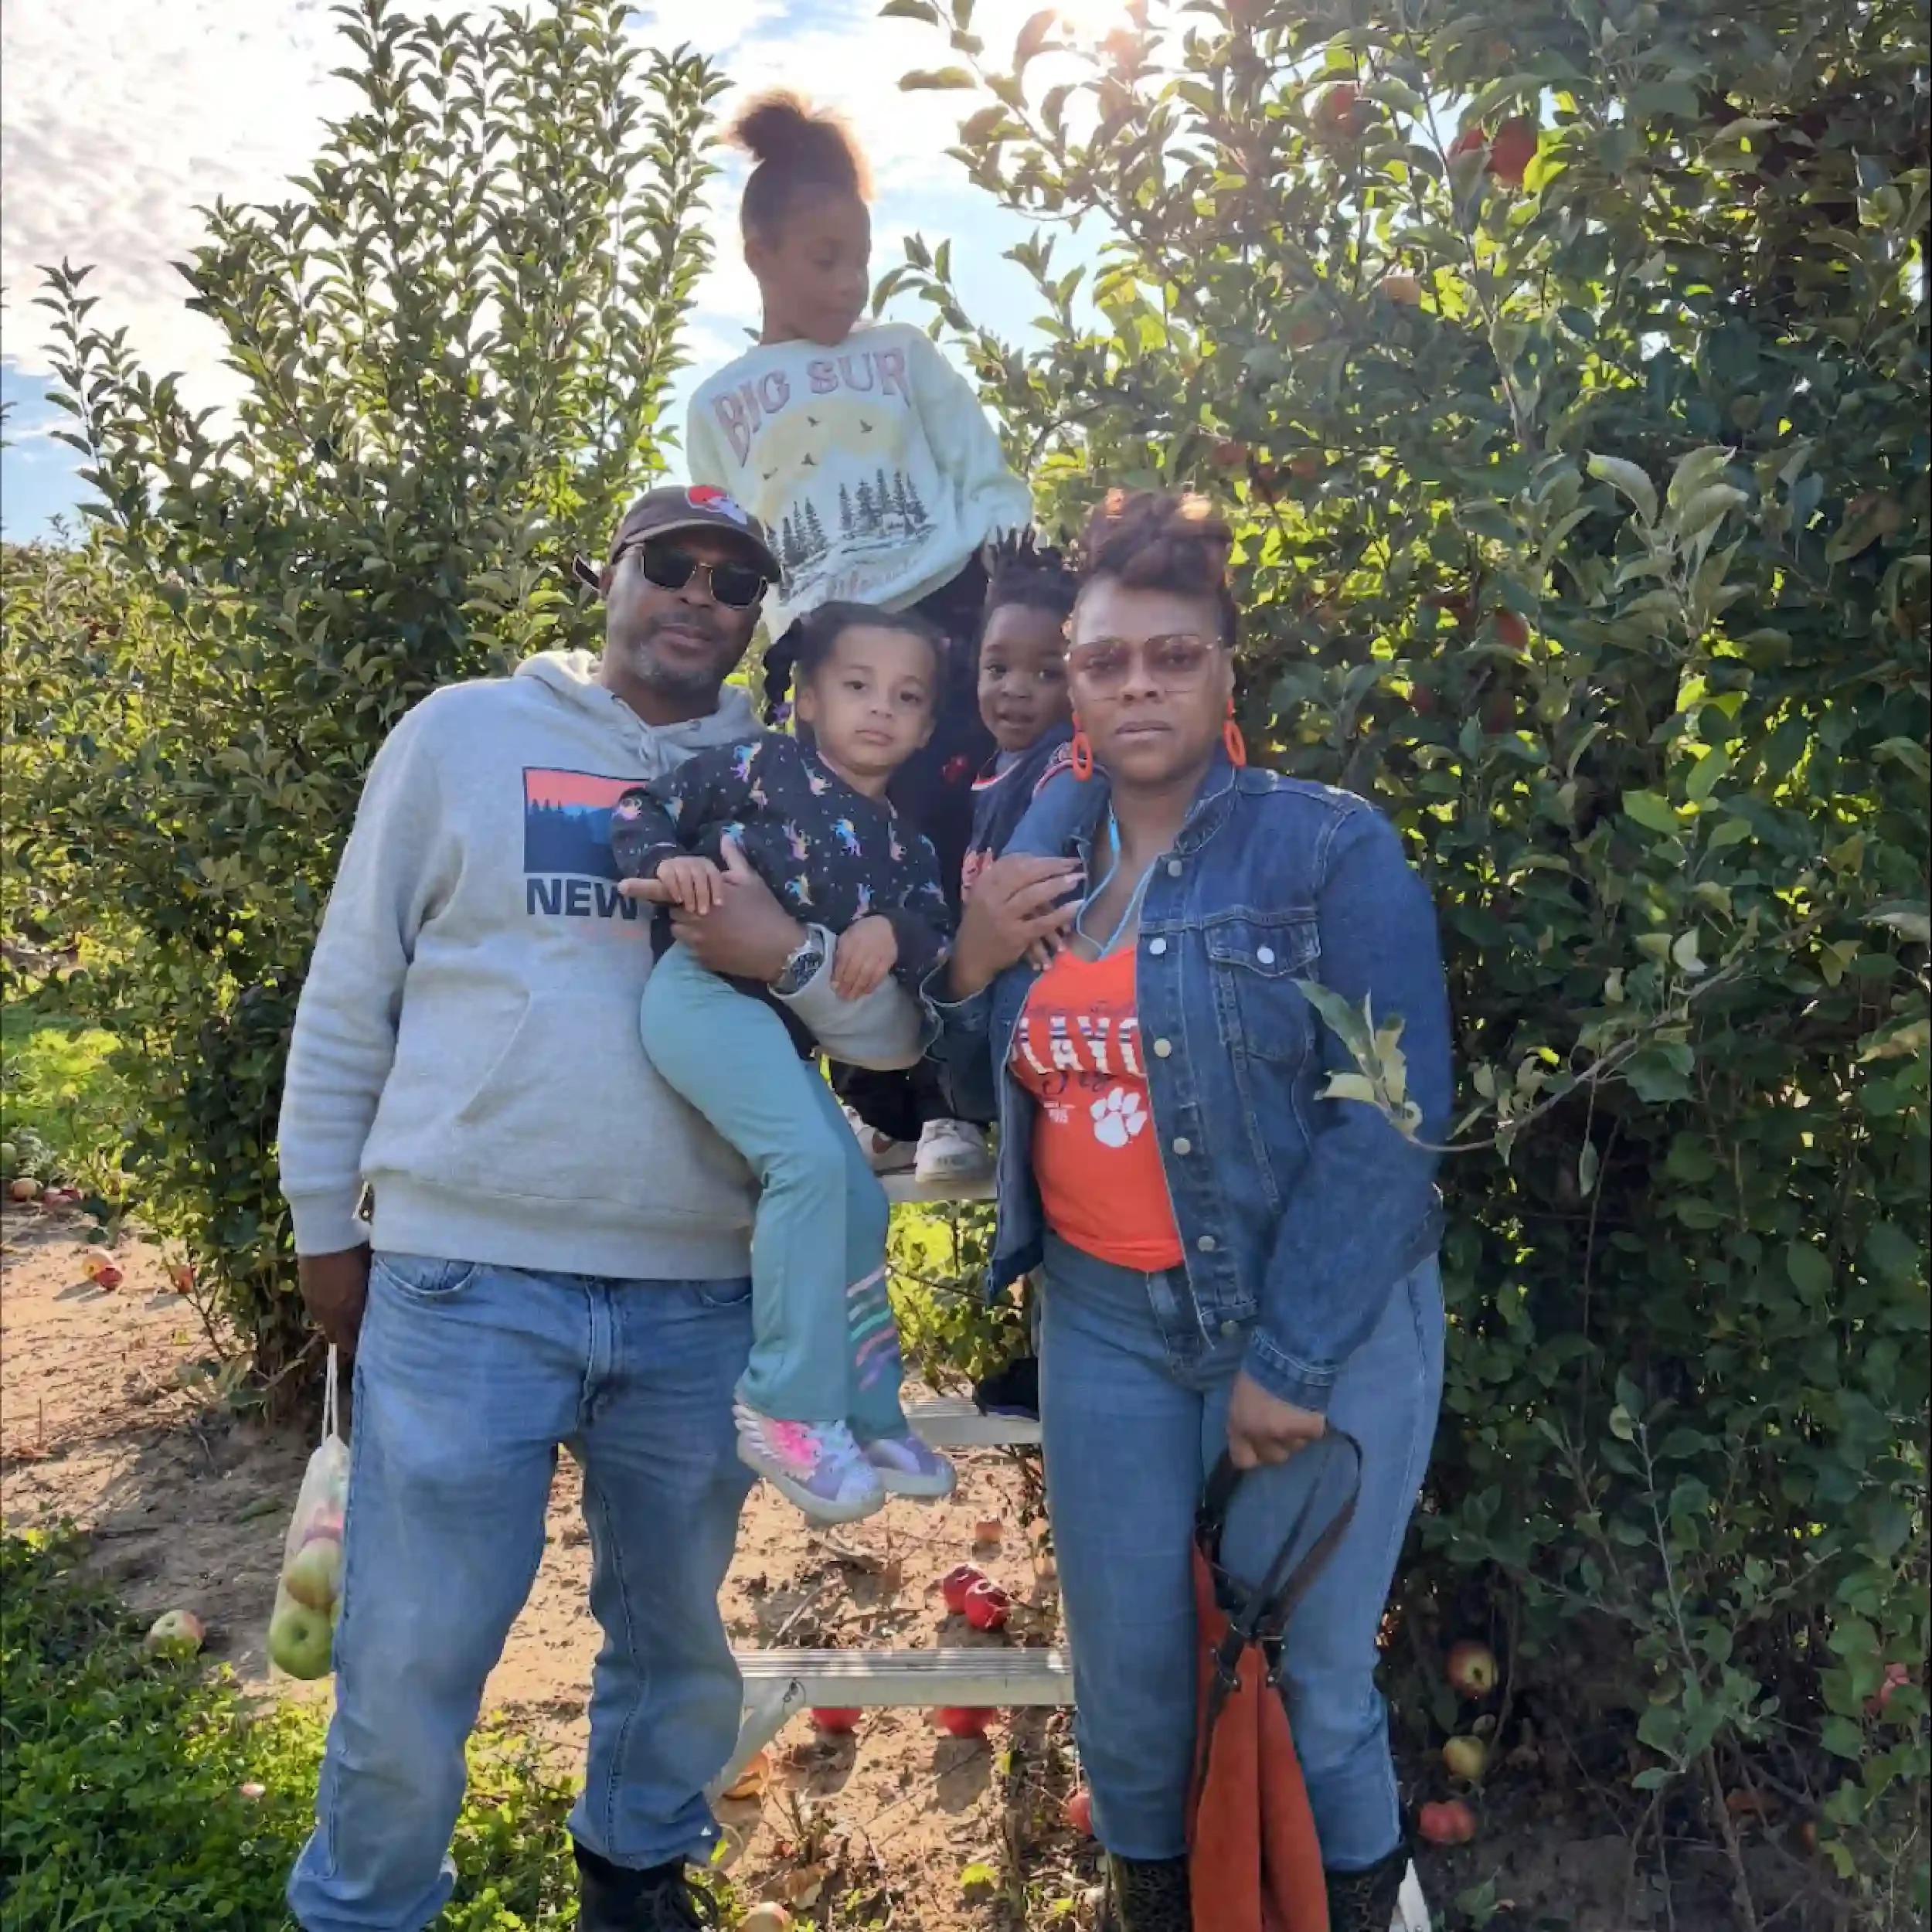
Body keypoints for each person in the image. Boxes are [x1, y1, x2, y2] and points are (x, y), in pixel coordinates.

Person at [277, 485, 925, 1932]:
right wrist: (328, 1222)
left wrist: (797, 954)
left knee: (674, 1647)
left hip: (701, 1293)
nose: (702, 596)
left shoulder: (790, 776)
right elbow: (350, 986)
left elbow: (891, 1042)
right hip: (465, 1283)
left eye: (737, 582)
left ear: (762, 621)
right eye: (672, 566)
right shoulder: (459, 736)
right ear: (611, 576)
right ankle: (368, 1907)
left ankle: (635, 1877)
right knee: (410, 1656)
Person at [937, 490, 1454, 1932]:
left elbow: (1394, 1116)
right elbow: (990, 1088)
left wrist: (1286, 1362)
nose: (1137, 686)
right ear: (1074, 685)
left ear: (1230, 668)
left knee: (1317, 1681)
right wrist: (971, 965)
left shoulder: (1324, 849)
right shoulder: (1041, 846)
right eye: (1106, 664)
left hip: (1325, 1328)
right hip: (1104, 1328)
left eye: (1173, 656)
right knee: (1135, 1700)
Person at [685, 88, 1033, 1187]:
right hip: (823, 649)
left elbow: (981, 474)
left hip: (936, 616)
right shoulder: (721, 399)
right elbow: (736, 535)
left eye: (861, 259)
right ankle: (873, 1102)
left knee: (938, 846)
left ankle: (956, 1106)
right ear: (760, 253)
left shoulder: (904, 356)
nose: (851, 283)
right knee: (822, 865)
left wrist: (1012, 577)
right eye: (826, 259)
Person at [611, 600, 958, 1524]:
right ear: (805, 696)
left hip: (780, 1036)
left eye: (905, 696)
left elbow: (935, 928)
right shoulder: (758, 767)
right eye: (855, 686)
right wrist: (668, 866)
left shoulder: (905, 846)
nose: (878, 708)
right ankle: (785, 1404)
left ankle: (867, 1410)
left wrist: (889, 927)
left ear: (925, 725)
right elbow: (648, 806)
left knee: (851, 1194)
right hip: (699, 999)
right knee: (804, 1166)